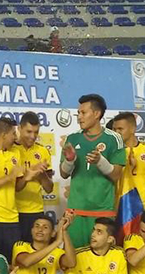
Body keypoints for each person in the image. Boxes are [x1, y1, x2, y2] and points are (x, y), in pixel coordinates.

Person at [59, 94, 125, 248]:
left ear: (96, 114)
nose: (79, 117)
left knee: (100, 263)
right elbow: (63, 173)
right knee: (74, 262)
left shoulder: (113, 139)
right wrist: (69, 160)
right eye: (78, 113)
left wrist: (100, 161)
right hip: (75, 212)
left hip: (102, 213)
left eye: (83, 113)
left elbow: (116, 175)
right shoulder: (72, 138)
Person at [0, 118, 40, 261]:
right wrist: (8, 178)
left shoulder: (15, 154)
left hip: (12, 219)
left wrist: (26, 178)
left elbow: (17, 188)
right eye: (14, 133)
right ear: (4, 135)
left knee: (13, 264)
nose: (16, 137)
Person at [110, 112, 145, 237]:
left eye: (120, 129)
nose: (117, 132)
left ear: (133, 128)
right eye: (114, 129)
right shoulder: (112, 152)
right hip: (123, 207)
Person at [14, 112, 54, 243]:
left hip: (35, 211)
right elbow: (14, 187)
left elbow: (49, 189)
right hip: (13, 211)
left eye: (36, 132)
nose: (33, 136)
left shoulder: (42, 151)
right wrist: (28, 174)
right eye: (29, 131)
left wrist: (41, 174)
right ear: (19, 129)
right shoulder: (10, 149)